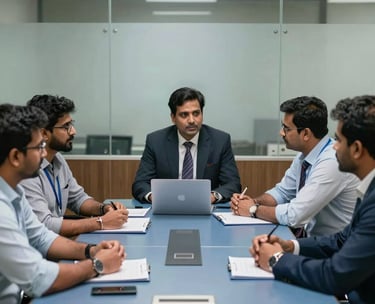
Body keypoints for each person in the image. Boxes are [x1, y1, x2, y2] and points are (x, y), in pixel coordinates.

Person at [250, 95, 375, 304]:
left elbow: (335, 276)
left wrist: (277, 259)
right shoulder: (369, 189)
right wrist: (289, 246)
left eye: (340, 141)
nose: (334, 147)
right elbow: (340, 240)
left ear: (357, 149)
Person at [0, 104, 125, 304]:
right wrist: (97, 265)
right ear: (15, 156)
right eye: (39, 147)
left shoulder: (14, 191)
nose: (43, 154)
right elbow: (38, 278)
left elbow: (41, 237)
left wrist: (91, 250)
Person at [231, 96, 359, 237]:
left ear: (305, 134)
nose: (281, 133)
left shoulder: (332, 161)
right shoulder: (304, 155)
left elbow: (295, 215)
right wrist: (252, 201)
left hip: (334, 248)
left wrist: (253, 209)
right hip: (314, 241)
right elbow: (282, 192)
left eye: (286, 128)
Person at [20, 95, 128, 238]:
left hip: (54, 244)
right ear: (44, 133)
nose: (73, 131)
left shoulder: (57, 159)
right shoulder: (27, 170)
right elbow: (45, 224)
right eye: (66, 126)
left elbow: (78, 199)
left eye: (71, 124)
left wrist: (104, 209)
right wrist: (101, 222)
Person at [132, 87, 241, 203]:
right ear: (173, 118)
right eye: (184, 115)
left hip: (205, 208)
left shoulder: (220, 141)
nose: (192, 120)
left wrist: (213, 196)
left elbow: (232, 184)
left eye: (196, 113)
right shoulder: (156, 141)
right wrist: (154, 197)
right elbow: (140, 183)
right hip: (167, 207)